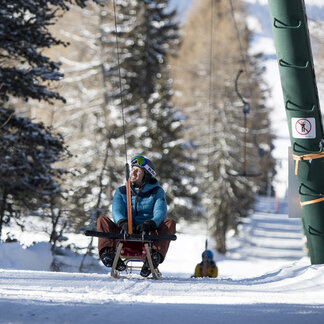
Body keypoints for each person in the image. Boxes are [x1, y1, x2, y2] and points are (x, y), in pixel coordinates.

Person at [97, 155, 176, 277]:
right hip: (124, 230)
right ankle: (109, 256)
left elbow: (160, 211)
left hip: (148, 232)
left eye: (137, 170)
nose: (133, 173)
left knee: (170, 223)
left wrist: (151, 223)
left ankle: (154, 257)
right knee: (102, 220)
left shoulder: (157, 192)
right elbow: (117, 209)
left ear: (146, 174)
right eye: (132, 169)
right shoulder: (122, 191)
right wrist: (122, 221)